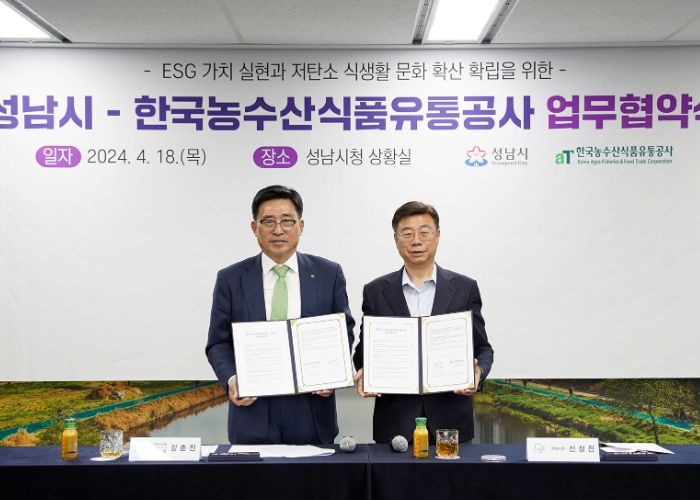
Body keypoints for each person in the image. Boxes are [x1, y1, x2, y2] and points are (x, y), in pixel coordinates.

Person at [206, 185, 355, 444]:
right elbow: (218, 343)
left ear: (301, 226)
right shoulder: (230, 278)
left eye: (287, 221)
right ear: (254, 228)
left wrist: (332, 374)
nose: (278, 230)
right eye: (268, 222)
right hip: (252, 410)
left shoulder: (329, 273)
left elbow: (343, 331)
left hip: (312, 409)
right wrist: (232, 379)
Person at [353, 201, 493, 443]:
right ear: (396, 239)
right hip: (395, 424)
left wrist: (478, 371)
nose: (416, 241)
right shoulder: (375, 291)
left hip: (451, 423)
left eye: (424, 233)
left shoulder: (464, 288)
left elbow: (482, 348)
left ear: (437, 236)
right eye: (407, 234)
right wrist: (365, 371)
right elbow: (363, 352)